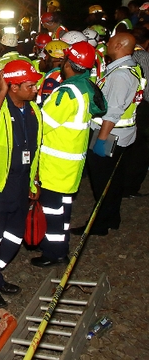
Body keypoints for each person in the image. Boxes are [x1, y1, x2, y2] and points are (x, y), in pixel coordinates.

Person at [0, 60, 43, 308]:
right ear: (13, 87)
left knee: (14, 236)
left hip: (20, 184)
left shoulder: (34, 110)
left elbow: (35, 149)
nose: (35, 88)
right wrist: (0, 91)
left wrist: (34, 181)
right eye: (29, 85)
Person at [32, 42, 106, 267]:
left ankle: (52, 253)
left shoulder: (66, 93)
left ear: (69, 64)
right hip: (71, 163)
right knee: (63, 210)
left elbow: (42, 125)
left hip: (55, 164)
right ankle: (61, 248)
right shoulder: (85, 87)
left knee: (52, 211)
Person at [73, 32, 144, 236]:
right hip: (124, 134)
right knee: (114, 179)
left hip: (110, 135)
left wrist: (101, 140)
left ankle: (99, 224)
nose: (107, 44)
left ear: (120, 45)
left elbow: (112, 111)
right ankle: (112, 218)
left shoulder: (121, 74)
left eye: (111, 42)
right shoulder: (130, 67)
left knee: (102, 181)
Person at [122, 26, 149, 197]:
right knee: (140, 150)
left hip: (125, 108)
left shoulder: (124, 56)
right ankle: (130, 188)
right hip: (142, 108)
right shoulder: (144, 57)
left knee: (127, 148)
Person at [36, 40, 69, 105]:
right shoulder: (62, 74)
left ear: (56, 59)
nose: (44, 58)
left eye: (46, 55)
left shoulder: (54, 78)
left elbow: (46, 104)